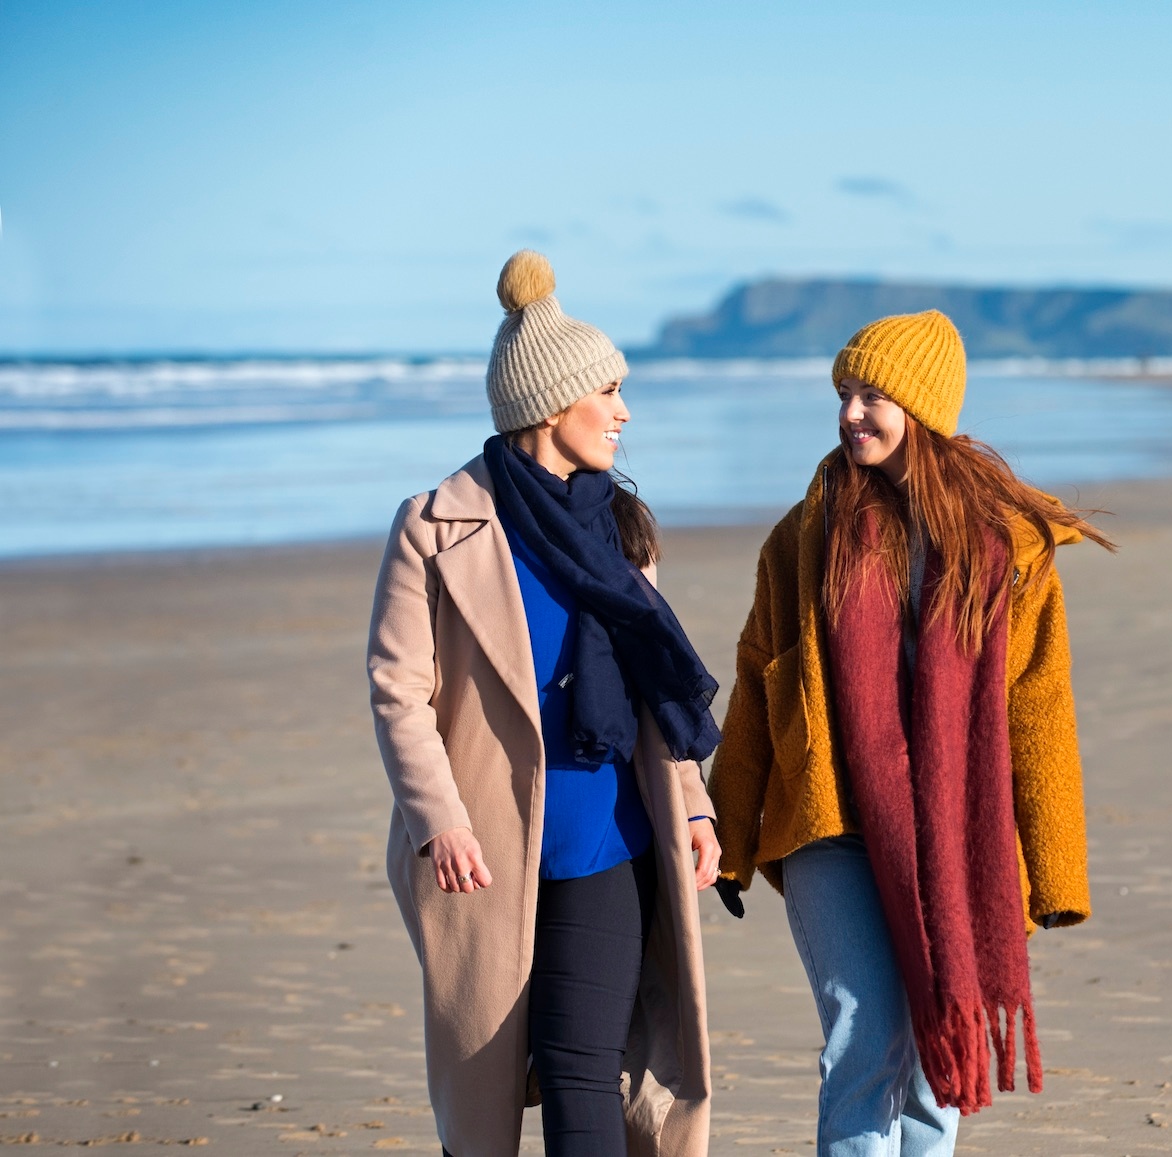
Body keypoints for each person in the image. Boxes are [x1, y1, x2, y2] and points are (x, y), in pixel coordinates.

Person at [708, 310, 1111, 1156]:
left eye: (872, 395)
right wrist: (728, 827)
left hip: (954, 833)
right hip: (830, 826)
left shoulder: (1006, 545)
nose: (851, 412)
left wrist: (1054, 867)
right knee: (866, 1035)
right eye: (845, 394)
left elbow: (1037, 708)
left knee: (933, 1069)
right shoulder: (805, 537)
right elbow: (759, 679)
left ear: (922, 408)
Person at [368, 251, 724, 1157]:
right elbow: (399, 690)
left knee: (580, 1073)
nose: (623, 412)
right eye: (608, 391)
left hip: (607, 838)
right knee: (483, 1103)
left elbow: (655, 688)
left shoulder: (621, 530)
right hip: (482, 849)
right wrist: (435, 819)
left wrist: (691, 803)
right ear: (552, 404)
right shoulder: (433, 525)